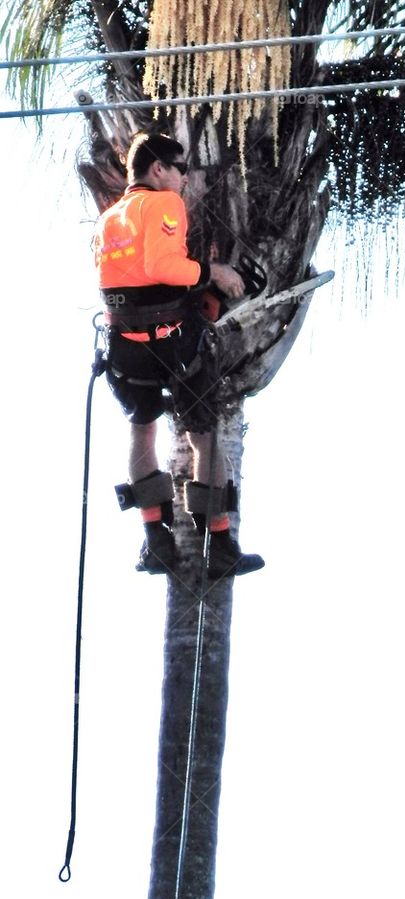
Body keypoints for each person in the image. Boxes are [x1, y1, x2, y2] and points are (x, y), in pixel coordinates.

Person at [94, 132, 264, 578]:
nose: (187, 178)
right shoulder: (163, 204)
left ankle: (156, 540)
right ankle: (221, 543)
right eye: (181, 168)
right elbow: (161, 268)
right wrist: (216, 273)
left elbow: (125, 281)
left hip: (125, 349)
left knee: (142, 431)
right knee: (204, 433)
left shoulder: (110, 218)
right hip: (171, 341)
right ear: (157, 169)